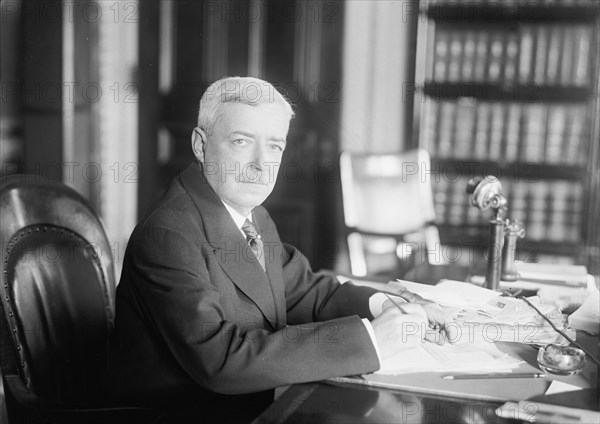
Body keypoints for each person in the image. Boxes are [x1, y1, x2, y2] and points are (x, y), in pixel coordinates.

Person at [106, 76, 453, 422]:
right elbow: (222, 361)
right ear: (200, 145)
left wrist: (391, 306)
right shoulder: (169, 234)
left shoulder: (253, 216)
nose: (261, 164)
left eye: (274, 146)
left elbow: (309, 293)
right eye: (242, 142)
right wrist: (372, 340)